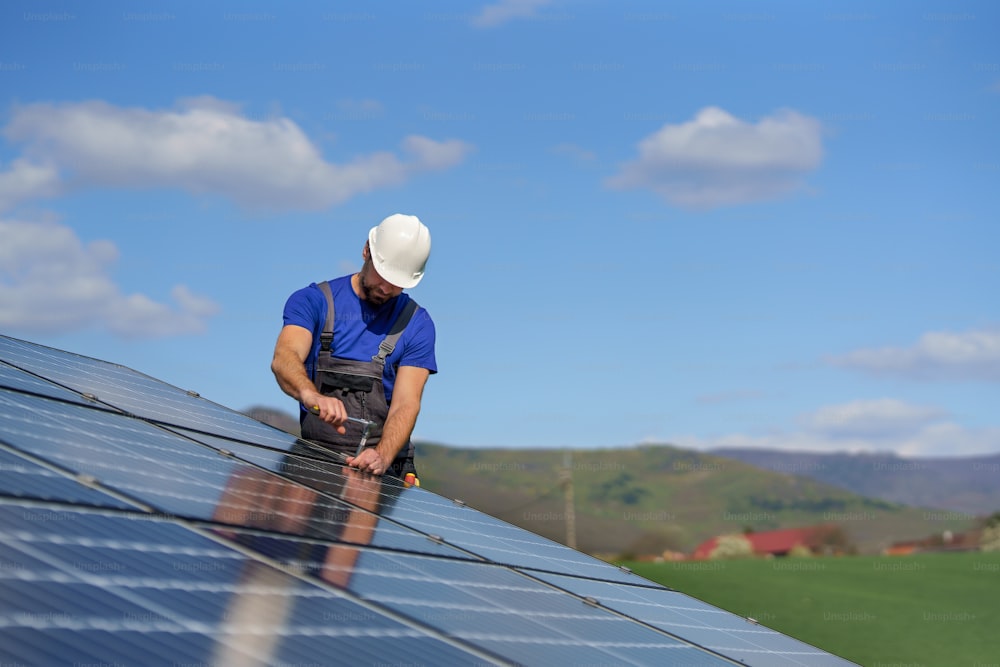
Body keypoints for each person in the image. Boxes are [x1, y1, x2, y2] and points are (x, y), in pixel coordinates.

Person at [271, 214, 436, 478]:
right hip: (317, 459)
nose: (386, 287)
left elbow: (407, 402)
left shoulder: (417, 323)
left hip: (385, 467)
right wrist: (310, 394)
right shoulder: (314, 301)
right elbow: (285, 357)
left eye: (397, 283)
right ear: (366, 251)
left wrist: (382, 456)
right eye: (382, 275)